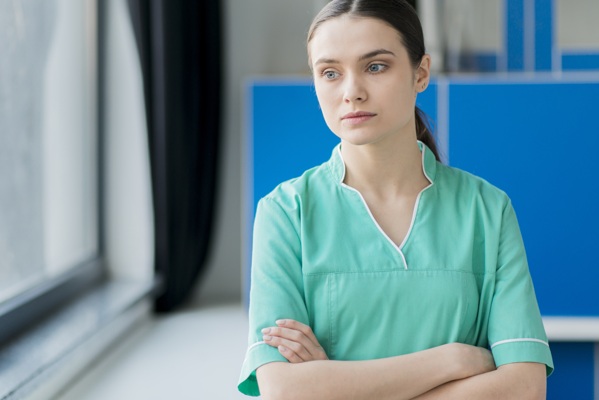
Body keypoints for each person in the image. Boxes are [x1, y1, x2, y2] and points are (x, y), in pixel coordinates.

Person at [238, 0, 554, 398]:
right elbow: (285, 391)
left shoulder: (486, 209)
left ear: (420, 73)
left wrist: (336, 386)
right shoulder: (285, 213)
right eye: (330, 73)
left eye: (375, 66)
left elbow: (524, 388)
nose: (351, 92)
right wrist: (450, 360)